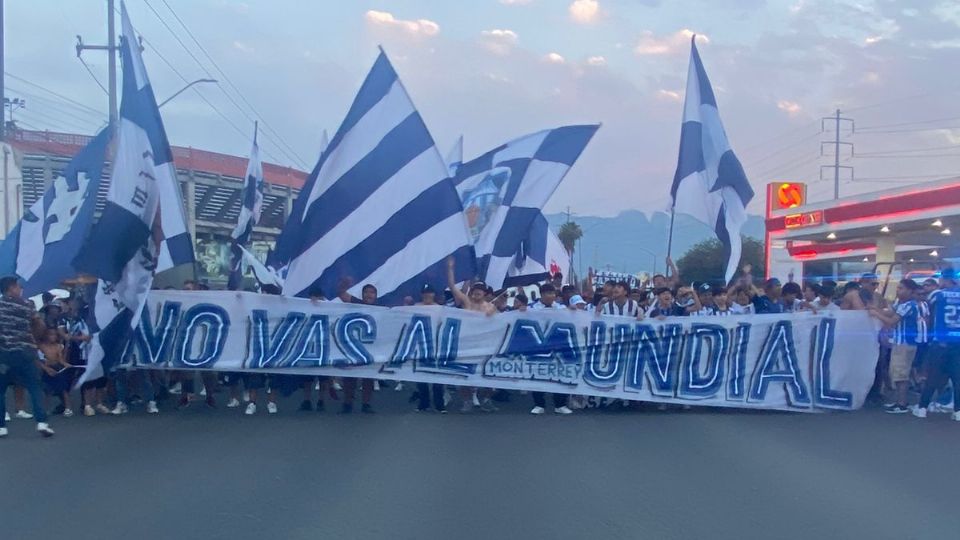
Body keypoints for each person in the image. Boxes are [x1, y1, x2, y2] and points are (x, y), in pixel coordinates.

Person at [0, 276, 55, 437]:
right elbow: (41, 325)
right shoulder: (27, 305)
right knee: (34, 387)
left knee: (0, 390)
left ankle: (1, 426)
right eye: (18, 287)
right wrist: (33, 338)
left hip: (4, 355)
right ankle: (42, 423)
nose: (20, 289)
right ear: (11, 288)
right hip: (25, 353)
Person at [446, 257, 497, 412]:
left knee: (489, 373)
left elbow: (499, 321)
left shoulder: (490, 306)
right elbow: (453, 288)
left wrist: (491, 314)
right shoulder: (467, 303)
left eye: (479, 292)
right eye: (474, 292)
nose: (476, 294)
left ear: (484, 293)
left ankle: (486, 399)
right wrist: (450, 269)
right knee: (464, 374)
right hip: (466, 343)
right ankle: (467, 400)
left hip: (485, 345)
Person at [870, 279, 926, 414]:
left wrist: (875, 313)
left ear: (909, 290)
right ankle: (900, 401)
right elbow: (889, 313)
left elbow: (892, 321)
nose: (898, 290)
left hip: (905, 343)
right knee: (898, 373)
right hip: (901, 343)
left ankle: (902, 403)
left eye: (901, 288)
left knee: (901, 374)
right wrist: (875, 309)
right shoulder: (901, 304)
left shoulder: (908, 305)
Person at [913, 268, 960, 420]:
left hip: (940, 340)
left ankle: (922, 408)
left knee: (932, 375)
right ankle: (958, 411)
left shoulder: (937, 294)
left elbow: (928, 310)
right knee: (957, 378)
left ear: (944, 279)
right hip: (957, 340)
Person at [340, 283, 379, 414]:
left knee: (368, 378)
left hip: (371, 349)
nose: (369, 294)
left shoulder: (381, 309)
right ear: (362, 295)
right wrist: (343, 283)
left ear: (376, 296)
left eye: (372, 292)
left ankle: (366, 404)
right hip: (353, 347)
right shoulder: (356, 303)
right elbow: (341, 294)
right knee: (350, 377)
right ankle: (347, 403)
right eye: (367, 292)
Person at [413, 284, 446, 413]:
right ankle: (423, 403)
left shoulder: (440, 309)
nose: (427, 295)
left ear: (433, 294)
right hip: (420, 344)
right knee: (421, 376)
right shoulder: (414, 307)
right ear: (422, 294)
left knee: (438, 375)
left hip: (436, 345)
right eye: (425, 293)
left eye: (430, 292)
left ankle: (439, 404)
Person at [38, 328, 74, 417]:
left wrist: (66, 364)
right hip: (47, 369)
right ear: (46, 336)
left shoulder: (58, 346)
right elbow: (39, 360)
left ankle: (68, 408)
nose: (53, 337)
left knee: (63, 389)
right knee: (47, 390)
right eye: (50, 334)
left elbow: (60, 360)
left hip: (57, 368)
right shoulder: (41, 346)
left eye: (54, 335)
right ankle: (45, 409)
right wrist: (46, 368)